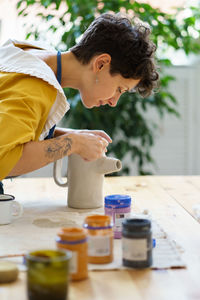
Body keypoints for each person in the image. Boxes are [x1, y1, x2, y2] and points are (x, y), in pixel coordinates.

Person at [0, 13, 158, 192]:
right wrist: (74, 143)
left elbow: (10, 130)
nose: (114, 101)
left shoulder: (31, 52)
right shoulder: (35, 84)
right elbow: (3, 159)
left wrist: (73, 135)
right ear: (101, 64)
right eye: (119, 89)